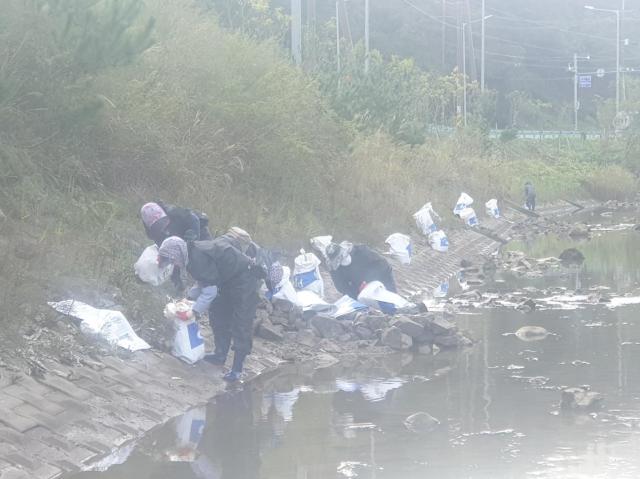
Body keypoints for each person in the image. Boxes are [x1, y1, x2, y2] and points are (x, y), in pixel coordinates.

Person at [158, 234, 265, 382]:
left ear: (178, 254)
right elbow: (203, 280)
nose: (173, 264)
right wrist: (189, 298)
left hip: (245, 279)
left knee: (241, 323)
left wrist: (193, 312)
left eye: (172, 260)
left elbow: (209, 290)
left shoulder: (197, 258)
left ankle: (237, 369)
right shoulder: (190, 255)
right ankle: (220, 355)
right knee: (218, 314)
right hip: (226, 280)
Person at [140, 201, 212, 291]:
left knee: (202, 257)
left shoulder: (177, 213)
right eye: (157, 226)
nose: (162, 227)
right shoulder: (153, 232)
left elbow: (194, 219)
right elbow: (169, 252)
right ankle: (179, 284)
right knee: (174, 255)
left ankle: (211, 286)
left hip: (197, 231)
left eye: (162, 223)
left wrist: (194, 234)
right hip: (176, 236)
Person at [325, 241, 397, 300]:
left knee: (391, 299)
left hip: (379, 277)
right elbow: (342, 287)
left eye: (343, 256)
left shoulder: (361, 251)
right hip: (358, 287)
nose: (342, 260)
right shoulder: (334, 269)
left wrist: (368, 281)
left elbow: (383, 265)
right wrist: (357, 294)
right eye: (338, 260)